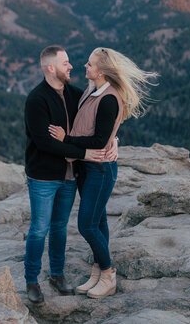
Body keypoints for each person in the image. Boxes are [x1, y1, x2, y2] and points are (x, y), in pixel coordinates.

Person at [49, 47, 157, 299]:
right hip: (88, 167)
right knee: (98, 221)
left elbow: (98, 140)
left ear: (102, 71)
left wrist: (68, 138)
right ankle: (98, 271)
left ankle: (108, 275)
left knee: (86, 225)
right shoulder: (92, 91)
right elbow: (102, 131)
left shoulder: (109, 98)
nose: (85, 66)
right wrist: (114, 138)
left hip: (100, 168)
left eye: (90, 64)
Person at [23, 45, 105, 304]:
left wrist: (111, 136)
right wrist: (85, 154)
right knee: (39, 229)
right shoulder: (37, 100)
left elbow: (100, 110)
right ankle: (32, 280)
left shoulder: (75, 94)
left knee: (59, 228)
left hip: (70, 176)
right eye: (65, 62)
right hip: (44, 177)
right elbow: (46, 143)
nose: (71, 66)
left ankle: (57, 275)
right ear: (50, 68)